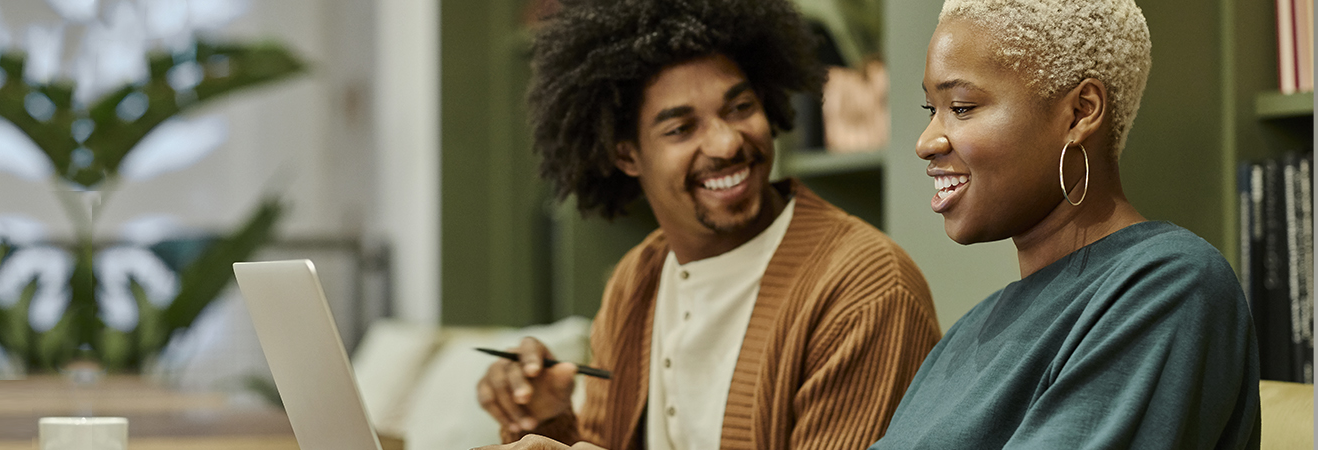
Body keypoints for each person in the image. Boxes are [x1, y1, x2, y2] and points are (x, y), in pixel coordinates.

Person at [474, 0, 942, 449]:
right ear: (626, 154)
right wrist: (545, 417)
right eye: (681, 129)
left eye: (740, 108)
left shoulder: (866, 289)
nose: (725, 142)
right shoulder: (636, 282)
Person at [869, 1, 1261, 448]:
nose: (925, 142)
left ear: (1080, 113)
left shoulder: (1171, 287)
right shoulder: (968, 332)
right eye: (930, 108)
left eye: (960, 107)